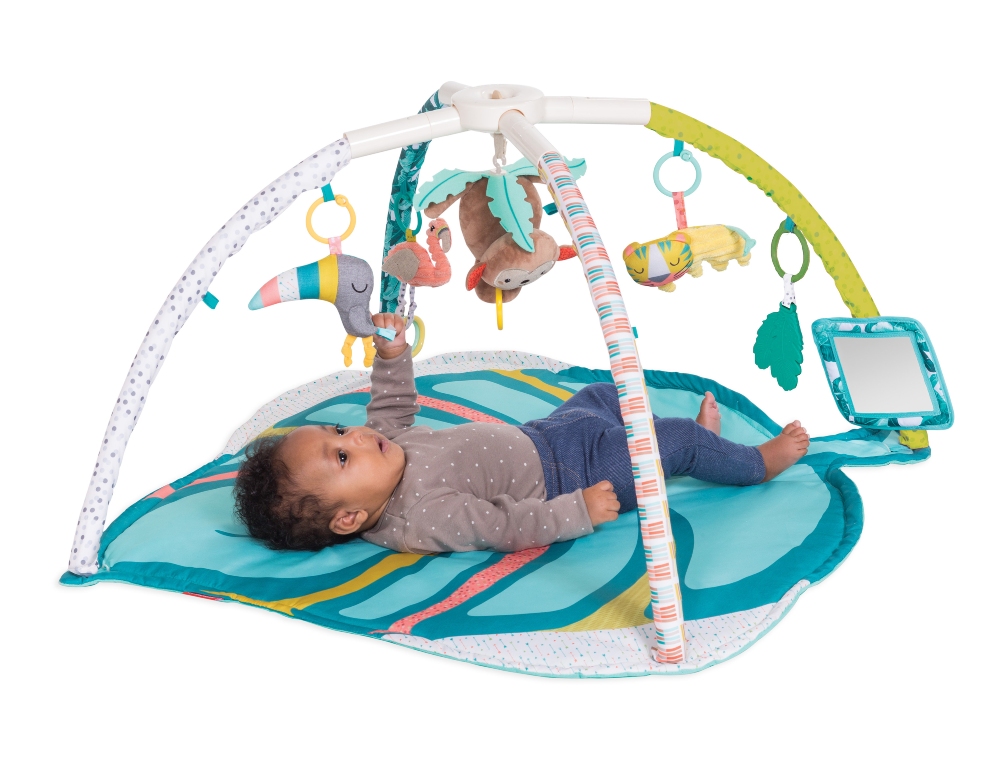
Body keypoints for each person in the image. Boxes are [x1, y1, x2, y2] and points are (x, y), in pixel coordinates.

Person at [234, 314, 809, 554]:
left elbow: (391, 401)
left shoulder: (381, 450)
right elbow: (502, 527)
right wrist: (577, 511)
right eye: (341, 456)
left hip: (550, 432)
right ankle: (755, 463)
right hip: (576, 476)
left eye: (340, 430)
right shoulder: (421, 518)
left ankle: (699, 448)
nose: (357, 437)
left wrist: (392, 354)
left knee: (603, 395)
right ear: (349, 519)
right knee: (672, 442)